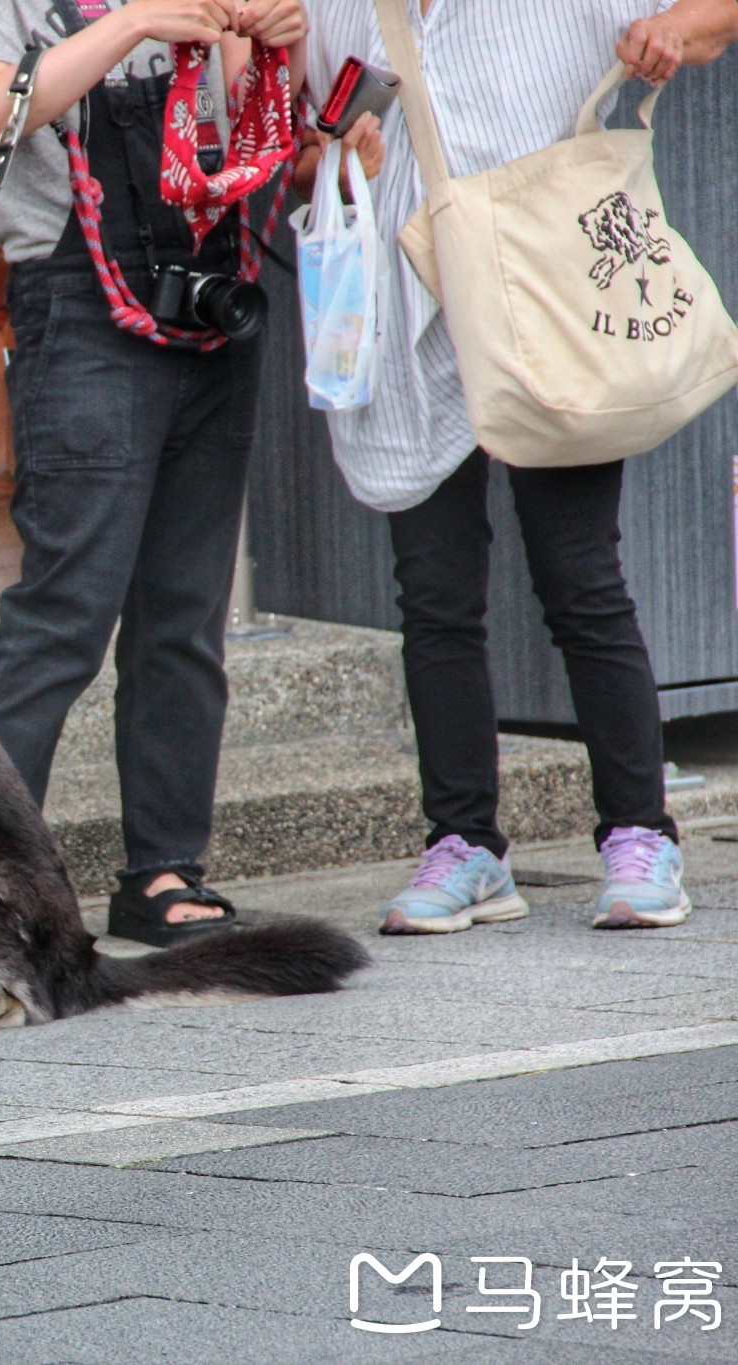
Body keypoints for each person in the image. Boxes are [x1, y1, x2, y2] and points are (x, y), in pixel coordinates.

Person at [295, 0, 738, 935]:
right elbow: (308, 152)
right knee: (434, 593)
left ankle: (639, 831)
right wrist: (341, 155)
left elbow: (714, 17)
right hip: (409, 308)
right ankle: (465, 845)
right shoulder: (332, 7)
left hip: (547, 294)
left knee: (581, 576)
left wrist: (674, 31)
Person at [0, 0, 306, 947]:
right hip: (79, 299)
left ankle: (165, 869)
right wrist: (134, 22)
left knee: (185, 613)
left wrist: (281, 48)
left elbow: (265, 128)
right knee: (66, 615)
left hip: (215, 283)